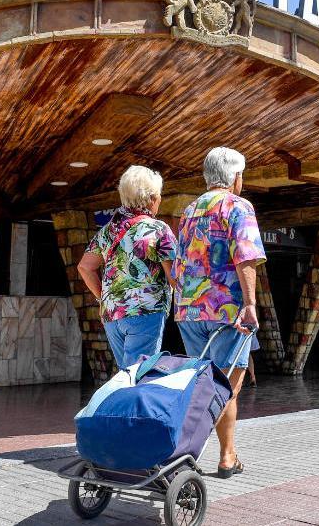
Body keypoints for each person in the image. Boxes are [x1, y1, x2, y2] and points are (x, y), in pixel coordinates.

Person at [174, 147, 266, 478]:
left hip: (189, 310)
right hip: (227, 311)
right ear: (235, 176)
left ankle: (225, 452)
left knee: (204, 383)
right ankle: (217, 456)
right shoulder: (239, 207)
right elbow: (246, 258)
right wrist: (251, 303)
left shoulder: (188, 210)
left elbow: (179, 263)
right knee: (226, 388)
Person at [78, 166, 178, 369]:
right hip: (145, 311)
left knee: (126, 373)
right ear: (151, 198)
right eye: (159, 195)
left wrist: (103, 297)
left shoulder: (109, 230)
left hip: (112, 315)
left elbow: (85, 267)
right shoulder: (159, 230)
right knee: (137, 375)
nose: (159, 200)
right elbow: (174, 277)